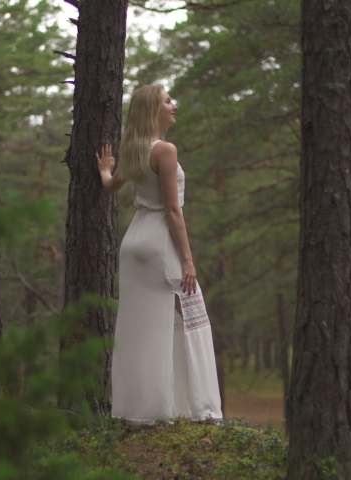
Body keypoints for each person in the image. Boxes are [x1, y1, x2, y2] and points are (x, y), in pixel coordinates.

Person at [96, 85, 223, 428]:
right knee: (191, 316)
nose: (174, 105)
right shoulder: (165, 150)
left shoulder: (135, 149)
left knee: (142, 325)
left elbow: (111, 186)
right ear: (153, 109)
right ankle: (203, 411)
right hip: (159, 242)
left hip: (134, 242)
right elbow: (171, 209)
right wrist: (188, 260)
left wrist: (106, 168)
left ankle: (142, 410)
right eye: (168, 101)